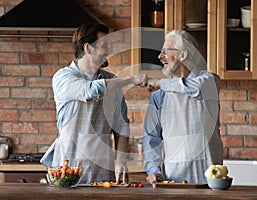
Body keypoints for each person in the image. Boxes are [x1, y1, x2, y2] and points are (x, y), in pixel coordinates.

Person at [40, 22, 147, 184]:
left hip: (103, 172)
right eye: (104, 45)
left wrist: (120, 161)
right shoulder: (63, 78)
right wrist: (132, 79)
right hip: (68, 171)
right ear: (88, 48)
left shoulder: (113, 81)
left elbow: (121, 125)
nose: (109, 50)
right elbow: (91, 91)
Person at [143, 30, 223, 184]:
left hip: (209, 180)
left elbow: (196, 88)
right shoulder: (159, 96)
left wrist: (160, 83)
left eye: (166, 51)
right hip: (173, 182)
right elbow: (151, 137)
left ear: (183, 55)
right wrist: (154, 170)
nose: (160, 56)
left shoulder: (209, 81)